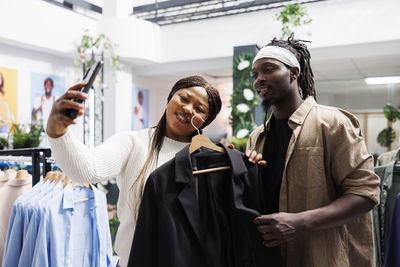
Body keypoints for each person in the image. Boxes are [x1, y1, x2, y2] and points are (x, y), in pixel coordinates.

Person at [46, 75, 223, 267]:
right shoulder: (134, 143)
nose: (188, 109)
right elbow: (87, 170)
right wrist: (57, 132)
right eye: (184, 98)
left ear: (205, 120)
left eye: (199, 109)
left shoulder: (208, 161)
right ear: (170, 97)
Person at [246, 34, 380, 267]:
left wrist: (299, 222)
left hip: (320, 256)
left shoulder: (332, 123)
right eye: (255, 74)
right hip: (267, 258)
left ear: (294, 72)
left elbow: (365, 194)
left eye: (269, 69)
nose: (260, 79)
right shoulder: (257, 137)